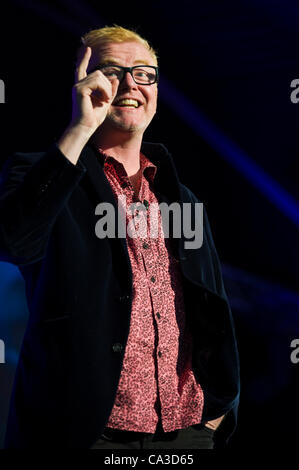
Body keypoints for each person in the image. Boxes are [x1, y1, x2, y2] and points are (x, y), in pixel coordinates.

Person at [0, 25, 240, 449]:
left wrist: (219, 412)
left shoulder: (180, 197)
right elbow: (14, 242)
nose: (131, 83)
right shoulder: (43, 175)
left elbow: (213, 306)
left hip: (186, 434)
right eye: (112, 70)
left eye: (143, 73)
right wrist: (79, 128)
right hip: (89, 434)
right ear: (82, 82)